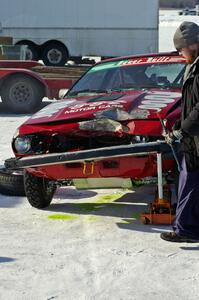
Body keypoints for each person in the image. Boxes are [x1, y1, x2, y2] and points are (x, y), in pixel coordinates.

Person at [160, 21, 199, 242]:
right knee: (189, 181)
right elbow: (189, 105)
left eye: (181, 48)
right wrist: (177, 127)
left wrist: (182, 131)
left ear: (193, 44)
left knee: (190, 182)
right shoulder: (193, 66)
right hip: (192, 137)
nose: (180, 52)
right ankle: (188, 227)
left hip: (195, 139)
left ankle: (186, 230)